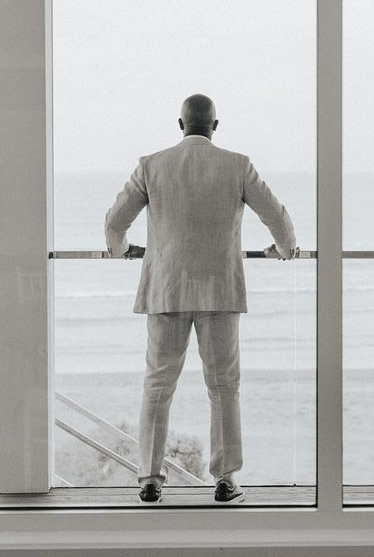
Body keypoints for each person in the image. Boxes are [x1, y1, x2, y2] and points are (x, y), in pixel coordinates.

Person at [104, 93, 298, 505]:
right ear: (215, 125)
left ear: (180, 125)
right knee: (224, 386)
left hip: (166, 288)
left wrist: (121, 251)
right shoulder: (237, 164)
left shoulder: (151, 165)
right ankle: (226, 480)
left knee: (158, 385)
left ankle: (150, 480)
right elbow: (276, 216)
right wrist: (284, 249)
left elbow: (115, 220)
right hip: (219, 290)